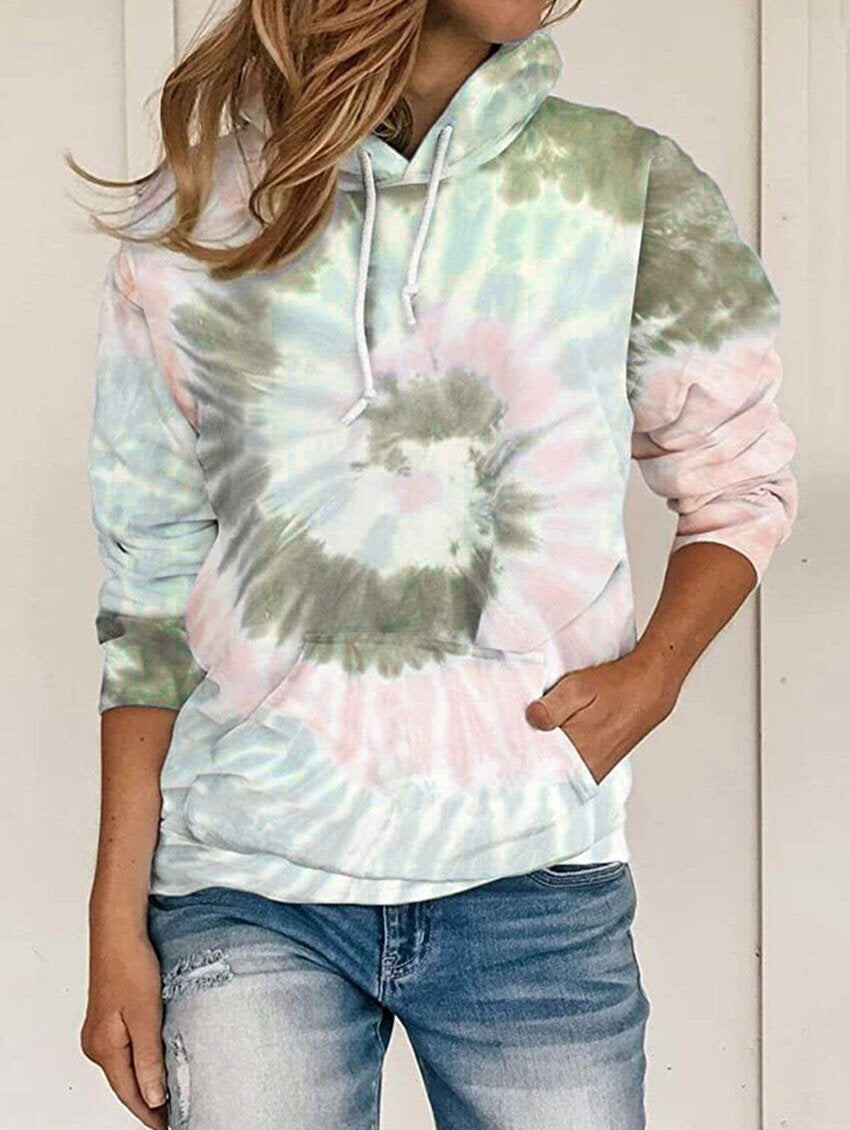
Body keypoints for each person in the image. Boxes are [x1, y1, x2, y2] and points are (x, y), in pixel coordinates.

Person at [73, 1, 799, 1127]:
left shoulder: (620, 184)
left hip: (534, 882)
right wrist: (112, 921)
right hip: (250, 883)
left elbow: (739, 479)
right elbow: (148, 591)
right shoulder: (200, 215)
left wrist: (653, 675)